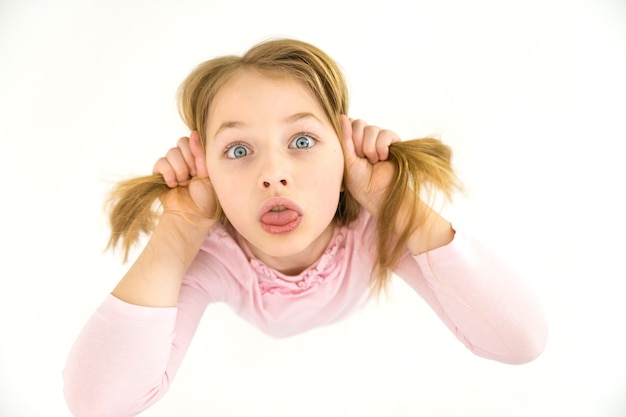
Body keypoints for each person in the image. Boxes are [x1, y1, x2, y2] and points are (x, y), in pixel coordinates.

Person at [63, 38, 548, 417]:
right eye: (237, 150)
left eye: (302, 139)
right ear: (204, 167)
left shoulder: (373, 228)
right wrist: (179, 229)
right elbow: (99, 402)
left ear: (343, 150)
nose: (273, 173)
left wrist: (392, 201)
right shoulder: (211, 257)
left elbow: (520, 342)